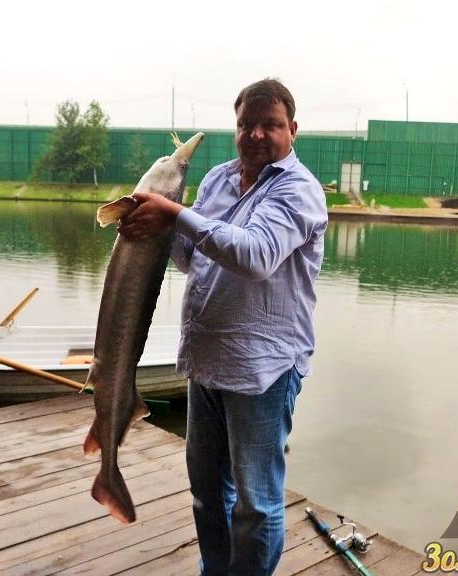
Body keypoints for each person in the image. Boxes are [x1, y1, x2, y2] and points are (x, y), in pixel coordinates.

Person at [119, 78, 328, 576]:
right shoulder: (216, 180)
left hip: (264, 370)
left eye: (270, 124)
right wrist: (157, 226)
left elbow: (254, 255)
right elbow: (197, 256)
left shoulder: (300, 190)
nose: (257, 134)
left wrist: (175, 212)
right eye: (246, 125)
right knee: (207, 494)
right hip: (207, 363)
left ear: (292, 130)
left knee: (256, 502)